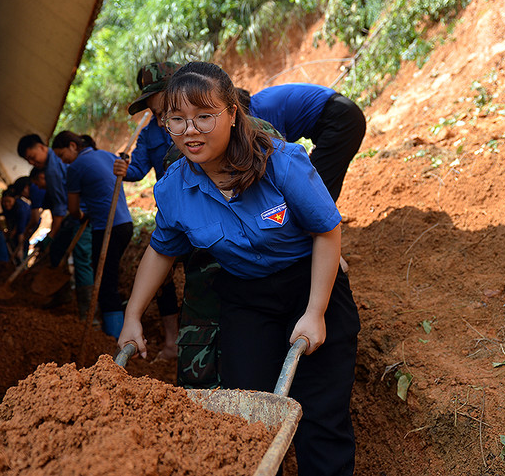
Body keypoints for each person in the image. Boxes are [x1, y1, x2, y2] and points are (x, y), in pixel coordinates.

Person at [118, 62, 360, 476]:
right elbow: (161, 250)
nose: (190, 130)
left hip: (311, 284)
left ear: (232, 113)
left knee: (321, 415)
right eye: (176, 119)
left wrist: (315, 312)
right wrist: (132, 316)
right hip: (247, 299)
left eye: (204, 116)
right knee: (247, 415)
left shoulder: (281, 162)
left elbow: (326, 230)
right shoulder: (174, 186)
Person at [113, 61, 183, 359]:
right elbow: (138, 168)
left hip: (209, 209)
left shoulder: (201, 117)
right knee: (163, 279)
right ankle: (171, 344)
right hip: (173, 214)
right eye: (155, 110)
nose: (159, 115)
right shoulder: (150, 132)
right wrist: (123, 169)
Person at [52, 131, 133, 338]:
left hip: (107, 229)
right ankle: (115, 328)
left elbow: (72, 209)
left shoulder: (75, 168)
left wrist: (81, 215)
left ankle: (113, 336)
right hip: (125, 225)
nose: (63, 161)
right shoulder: (106, 155)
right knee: (109, 277)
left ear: (72, 146)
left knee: (105, 282)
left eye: (62, 155)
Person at [238, 83, 366, 202]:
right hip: (340, 114)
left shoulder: (259, 115)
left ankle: (323, 224)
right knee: (316, 184)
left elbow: (277, 159)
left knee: (314, 191)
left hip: (341, 119)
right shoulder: (260, 102)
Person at [17, 134, 94, 313]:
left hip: (82, 214)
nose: (31, 162)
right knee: (59, 251)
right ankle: (64, 296)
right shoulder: (53, 163)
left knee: (81, 259)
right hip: (75, 214)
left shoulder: (52, 169)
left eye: (32, 157)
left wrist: (51, 236)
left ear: (43, 147)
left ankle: (88, 312)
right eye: (28, 160)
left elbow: (61, 210)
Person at [0, 185, 31, 262]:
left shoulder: (21, 209)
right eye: (4, 201)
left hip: (27, 229)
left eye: (9, 201)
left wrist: (20, 249)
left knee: (21, 255)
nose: (6, 204)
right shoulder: (7, 208)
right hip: (17, 230)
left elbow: (21, 230)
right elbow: (8, 219)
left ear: (14, 199)